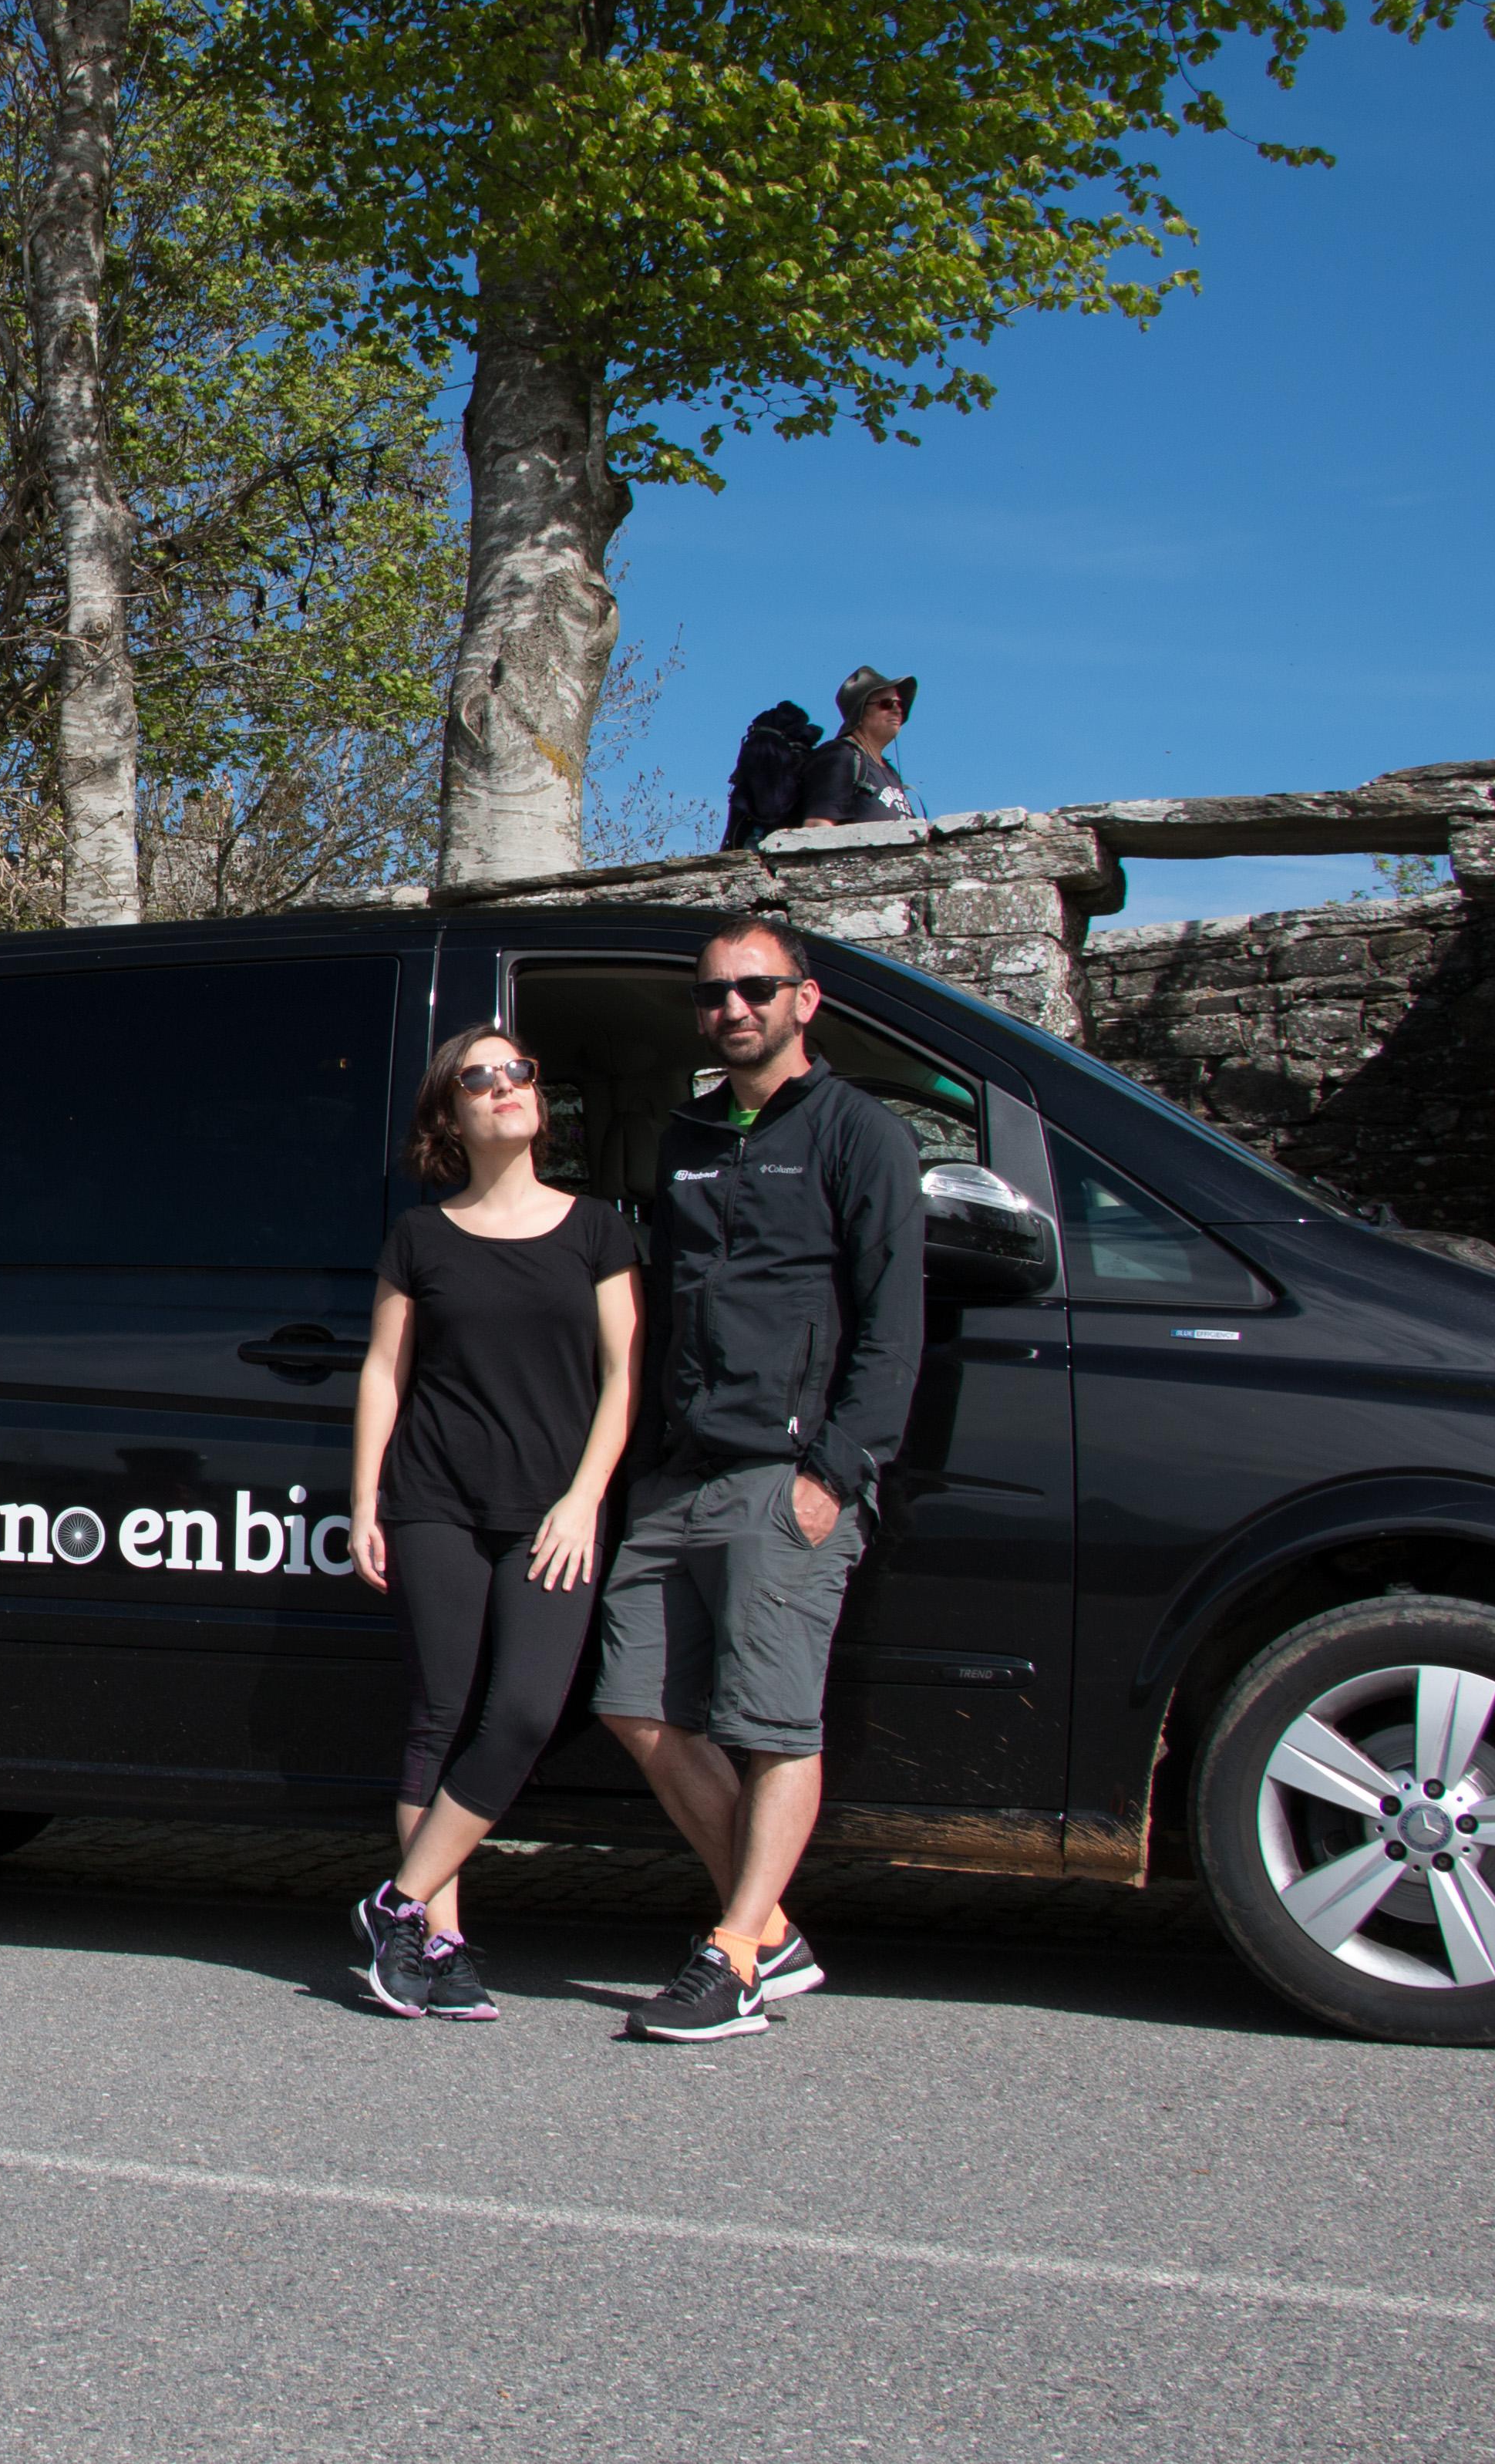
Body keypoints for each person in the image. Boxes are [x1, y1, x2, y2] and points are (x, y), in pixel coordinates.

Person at [591, 919, 924, 2040]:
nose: (730, 1009)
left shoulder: (855, 1131)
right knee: (632, 1702)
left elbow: (891, 1321)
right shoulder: (684, 1133)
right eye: (713, 994)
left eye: (753, 989)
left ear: (803, 1000)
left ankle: (730, 1952)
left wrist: (833, 1469)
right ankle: (771, 1928)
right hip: (674, 1469)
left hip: (785, 1473)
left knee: (773, 1724)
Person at [345, 1026, 642, 2020]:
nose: (507, 1086)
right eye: (482, 1077)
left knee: (519, 1715)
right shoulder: (420, 1236)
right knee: (438, 1720)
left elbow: (622, 1378)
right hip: (433, 1501)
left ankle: (399, 1903)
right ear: (451, 1114)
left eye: (520, 1072)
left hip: (552, 1514)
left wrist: (584, 1496)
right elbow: (385, 1374)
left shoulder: (597, 1229)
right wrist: (365, 1501)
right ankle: (437, 1948)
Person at [796, 668, 923, 828]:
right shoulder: (840, 756)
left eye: (901, 705)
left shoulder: (890, 772)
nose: (897, 710)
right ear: (860, 712)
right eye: (887, 704)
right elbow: (817, 827)